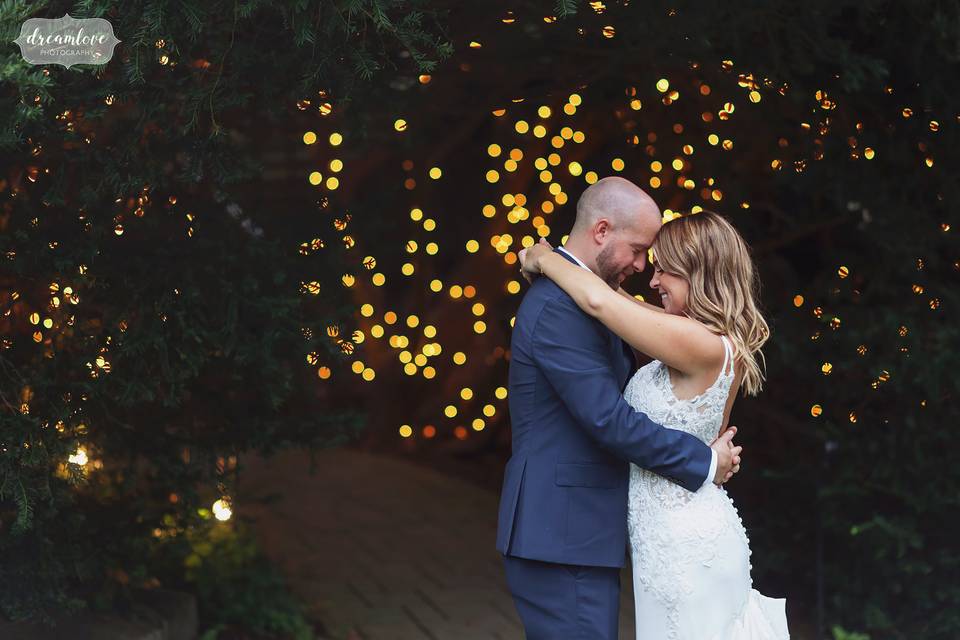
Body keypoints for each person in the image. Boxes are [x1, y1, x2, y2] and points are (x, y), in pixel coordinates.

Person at [519, 198, 789, 638]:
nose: (652, 278)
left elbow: (600, 302)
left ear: (699, 274)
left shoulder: (699, 343)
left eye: (665, 269)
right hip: (665, 543)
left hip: (686, 546)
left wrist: (545, 258)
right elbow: (615, 298)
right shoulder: (691, 334)